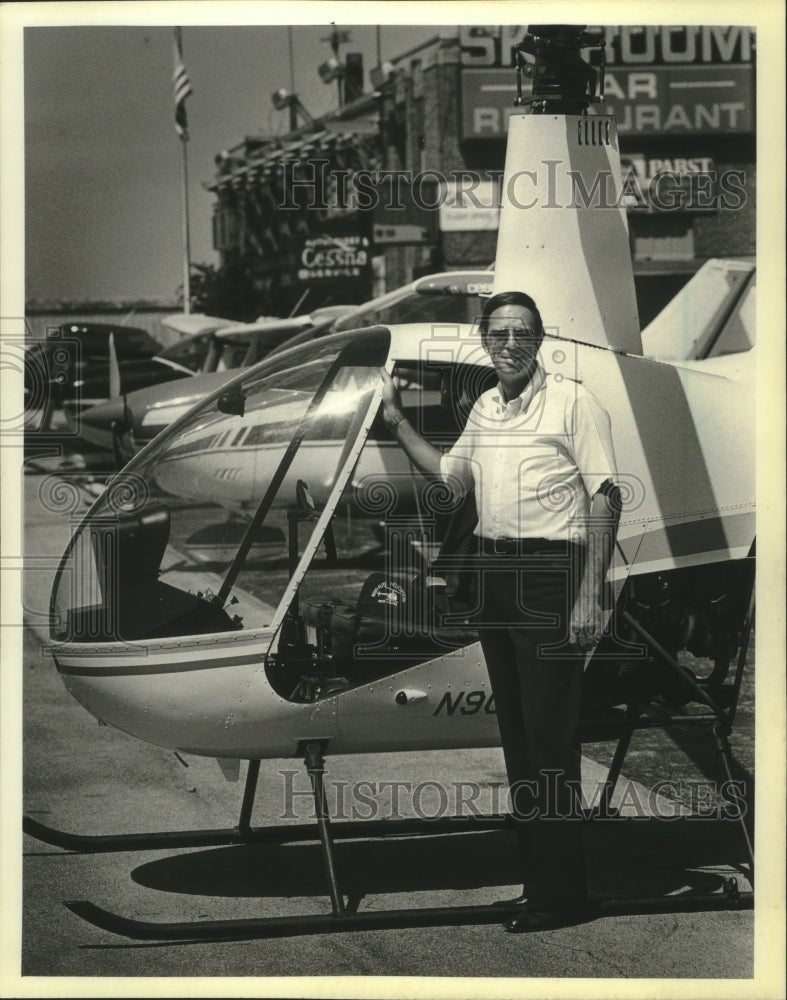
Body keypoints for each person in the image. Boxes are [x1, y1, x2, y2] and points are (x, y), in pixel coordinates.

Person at [380, 290, 621, 931]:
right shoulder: (486, 406)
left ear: (540, 339)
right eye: (498, 334)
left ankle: (561, 897)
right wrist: (398, 422)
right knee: (516, 736)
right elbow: (453, 480)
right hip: (493, 574)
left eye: (522, 333)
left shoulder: (573, 401)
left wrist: (591, 592)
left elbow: (605, 497)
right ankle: (538, 884)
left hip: (550, 576)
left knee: (549, 737)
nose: (509, 344)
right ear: (485, 342)